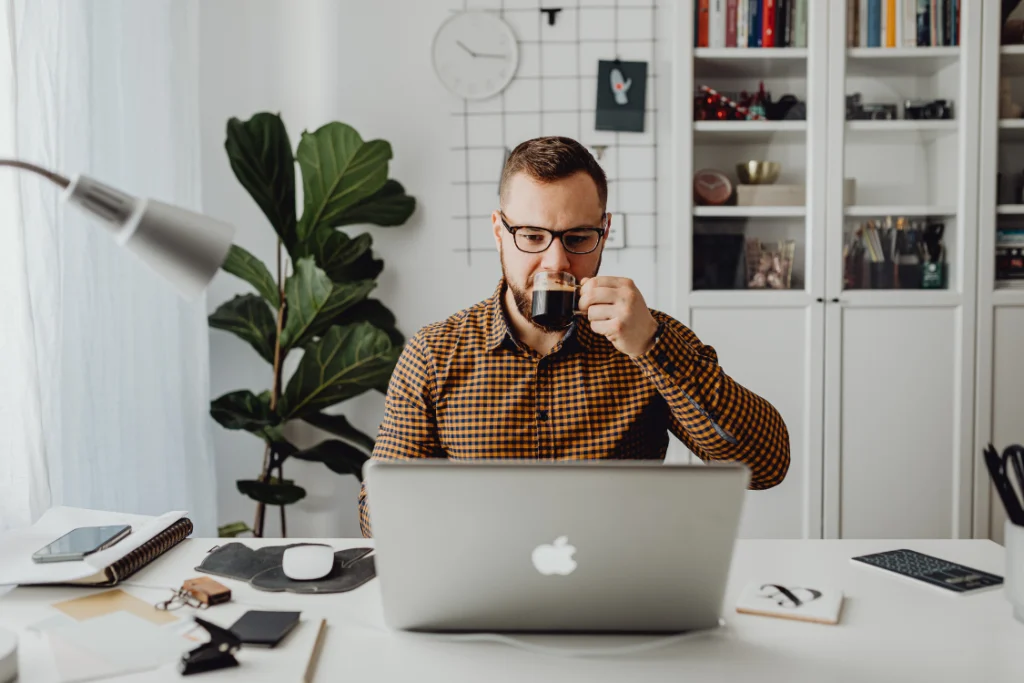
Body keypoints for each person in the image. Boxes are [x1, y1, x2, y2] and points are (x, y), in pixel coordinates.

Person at [358, 136, 789, 537]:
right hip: (483, 589)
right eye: (531, 236)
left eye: (578, 238)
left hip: (617, 591)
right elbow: (378, 519)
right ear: (498, 232)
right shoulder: (435, 353)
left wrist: (655, 348)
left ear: (604, 232)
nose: (555, 263)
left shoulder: (648, 337)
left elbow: (766, 465)